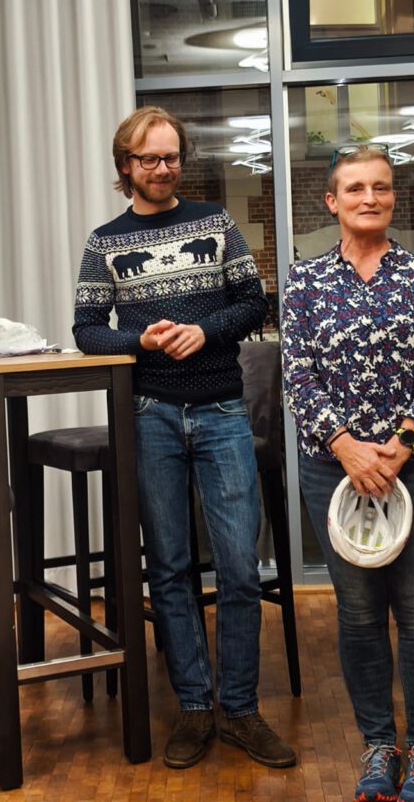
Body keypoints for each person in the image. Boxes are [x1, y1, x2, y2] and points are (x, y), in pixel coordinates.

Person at [73, 106, 296, 771]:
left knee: (239, 567)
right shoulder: (104, 242)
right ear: (126, 165)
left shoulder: (215, 223)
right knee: (168, 568)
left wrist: (207, 330)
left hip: (222, 409)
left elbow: (254, 303)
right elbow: (86, 329)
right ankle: (195, 707)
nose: (163, 168)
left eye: (171, 157)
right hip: (151, 415)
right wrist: (137, 339)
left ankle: (241, 709)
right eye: (149, 158)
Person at [281, 144, 414, 802]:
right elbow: (298, 377)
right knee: (359, 615)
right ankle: (378, 747)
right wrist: (346, 447)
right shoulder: (305, 281)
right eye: (356, 188)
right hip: (333, 473)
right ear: (332, 201)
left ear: (393, 197)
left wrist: (402, 443)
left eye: (381, 187)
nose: (370, 198)